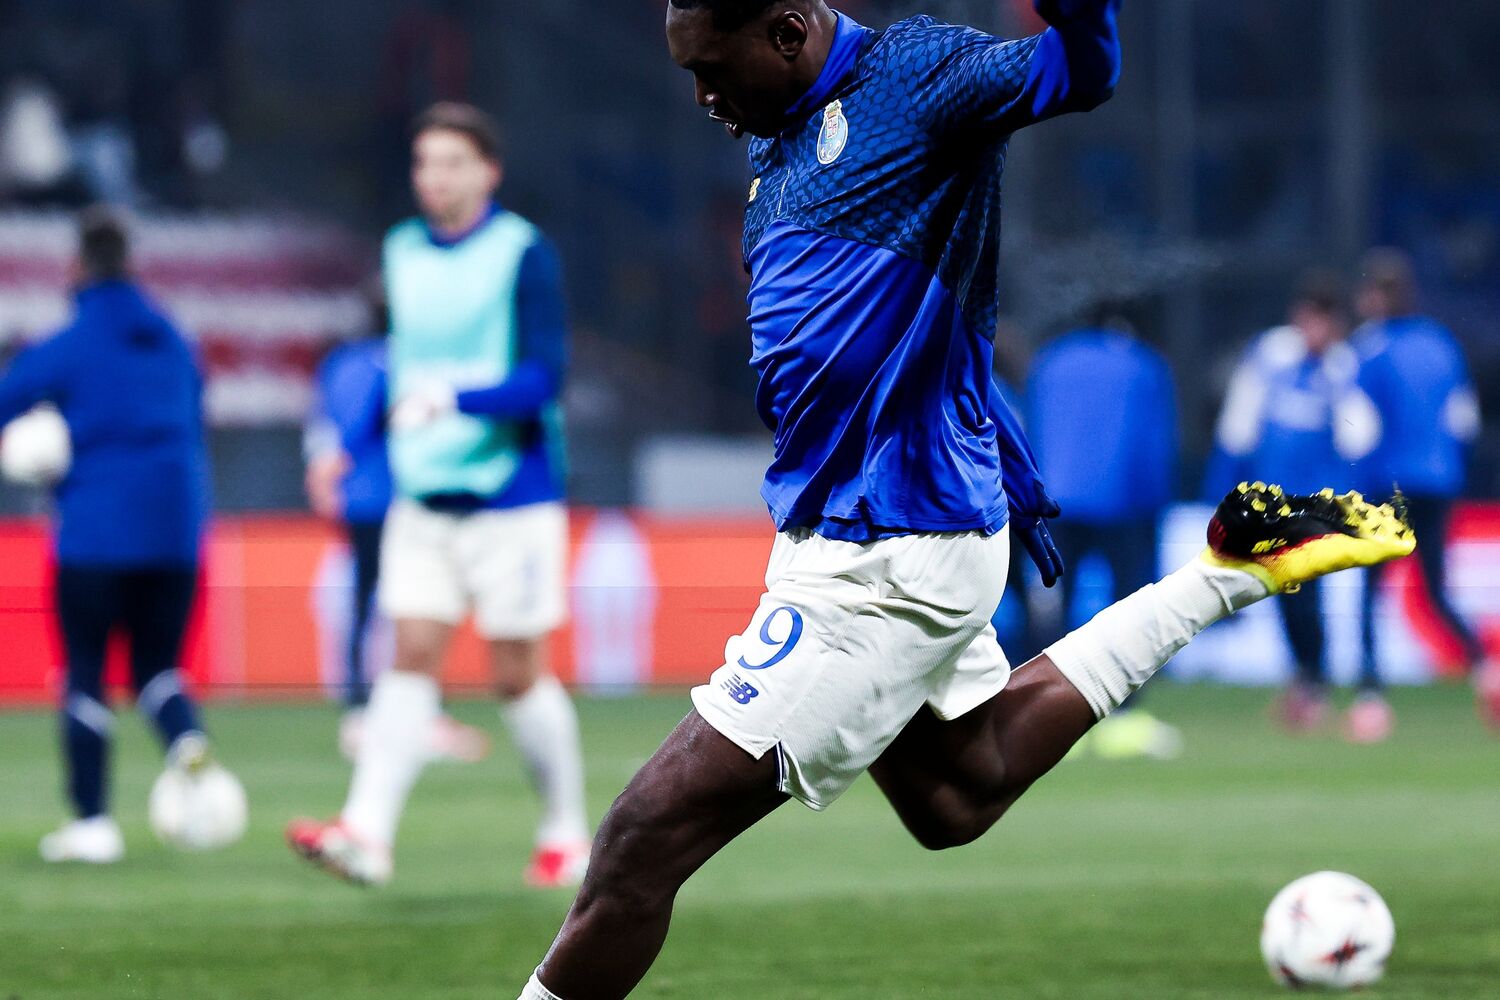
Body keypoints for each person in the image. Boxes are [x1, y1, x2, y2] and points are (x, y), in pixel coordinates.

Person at [510, 4, 1413, 998]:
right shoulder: (779, 137)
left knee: (641, 840)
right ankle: (1230, 571)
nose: (702, 97)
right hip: (853, 525)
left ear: (787, 34)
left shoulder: (914, 79)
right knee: (959, 790)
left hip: (890, 543)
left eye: (712, 69)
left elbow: (1077, 72)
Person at [287, 102, 589, 888]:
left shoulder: (523, 253)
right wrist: (346, 445)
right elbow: (400, 366)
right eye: (425, 162)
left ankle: (565, 835)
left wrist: (456, 400)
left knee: (517, 674)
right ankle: (367, 834)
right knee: (409, 656)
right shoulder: (400, 251)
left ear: (489, 172)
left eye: (453, 162)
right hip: (422, 494)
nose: (436, 178)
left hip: (511, 495)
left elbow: (545, 377)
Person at [0, 207, 231, 864]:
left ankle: (93, 824)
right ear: (130, 263)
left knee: (86, 672)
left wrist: (42, 447)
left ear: (76, 267)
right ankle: (189, 748)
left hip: (96, 536)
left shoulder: (69, 344)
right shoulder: (175, 342)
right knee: (158, 669)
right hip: (177, 533)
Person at [303, 289, 492, 763]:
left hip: (356, 500)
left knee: (363, 602)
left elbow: (322, 426)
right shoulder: (404, 362)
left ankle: (357, 711)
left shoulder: (339, 362)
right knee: (420, 606)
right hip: (401, 496)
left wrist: (324, 475)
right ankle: (425, 715)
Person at [1204, 273, 1385, 740]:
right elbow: (1238, 428)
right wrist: (1222, 493)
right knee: (1283, 591)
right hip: (1271, 503)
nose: (1316, 331)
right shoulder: (1269, 356)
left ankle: (1317, 683)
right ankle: (1309, 678)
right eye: (1310, 320)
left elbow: (1362, 437)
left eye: (1325, 323)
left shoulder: (1343, 367)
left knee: (1309, 590)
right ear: (1298, 318)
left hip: (1320, 506)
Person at [1352, 248, 1500, 728]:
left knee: (1370, 590)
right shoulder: (1441, 342)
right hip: (1439, 480)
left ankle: (1371, 698)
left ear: (1377, 295)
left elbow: (1358, 429)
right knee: (1435, 589)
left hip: (1389, 483)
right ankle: (1486, 669)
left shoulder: (1370, 346)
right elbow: (1464, 420)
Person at [1027, 309, 1181, 759]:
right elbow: (1154, 443)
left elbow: (1028, 431)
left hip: (1055, 500)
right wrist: (1157, 504)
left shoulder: (1051, 360)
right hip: (1124, 502)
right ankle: (1124, 719)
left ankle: (1044, 719)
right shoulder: (1144, 364)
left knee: (1052, 610)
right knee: (1129, 611)